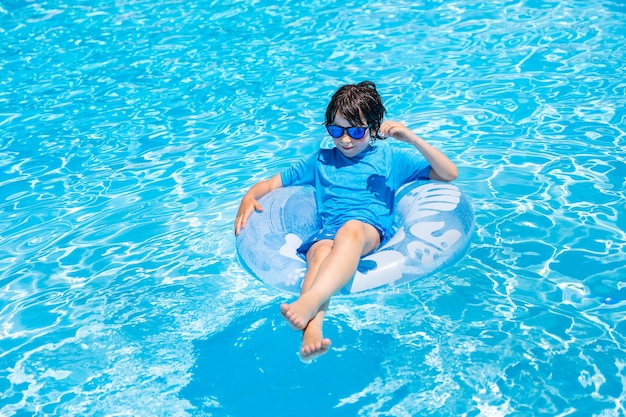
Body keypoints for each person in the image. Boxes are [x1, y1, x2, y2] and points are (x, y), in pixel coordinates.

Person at [234, 81, 458, 361]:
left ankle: (309, 303)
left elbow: (448, 172)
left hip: (366, 230)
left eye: (356, 131)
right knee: (318, 253)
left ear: (374, 129)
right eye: (336, 130)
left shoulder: (390, 158)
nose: (346, 140)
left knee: (350, 230)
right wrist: (249, 195)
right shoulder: (321, 161)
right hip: (327, 232)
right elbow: (271, 183)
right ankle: (312, 331)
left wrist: (412, 138)